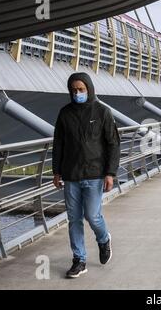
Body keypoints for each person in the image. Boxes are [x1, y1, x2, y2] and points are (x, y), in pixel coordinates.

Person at [52, 72, 120, 278]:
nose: (77, 93)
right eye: (74, 90)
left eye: (81, 89)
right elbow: (58, 144)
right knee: (74, 219)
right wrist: (56, 171)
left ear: (89, 89)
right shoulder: (65, 113)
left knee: (92, 215)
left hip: (94, 173)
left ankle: (103, 239)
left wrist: (110, 173)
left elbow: (113, 144)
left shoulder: (102, 112)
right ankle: (79, 260)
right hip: (71, 174)